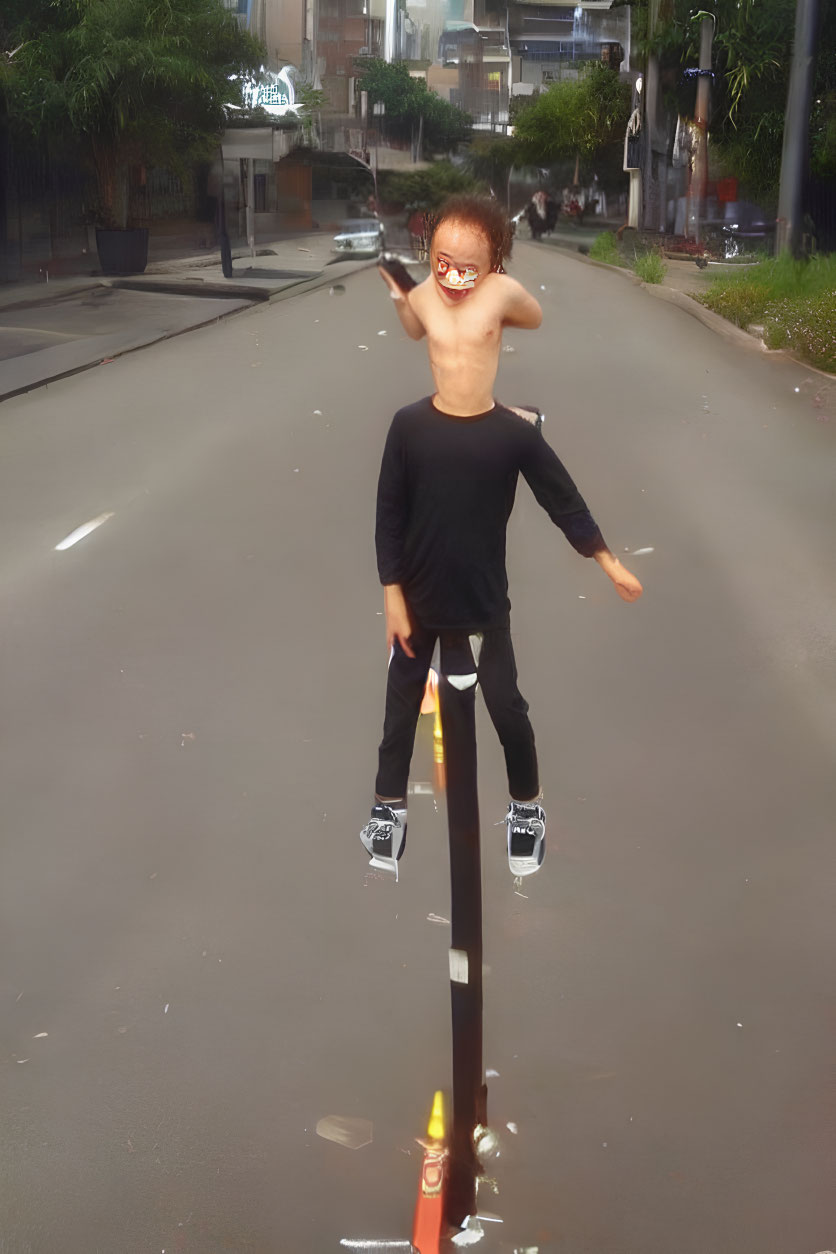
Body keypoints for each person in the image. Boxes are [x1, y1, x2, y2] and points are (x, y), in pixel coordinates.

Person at [361, 195, 643, 879]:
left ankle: (527, 806)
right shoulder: (409, 426)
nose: (455, 279)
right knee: (400, 706)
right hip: (420, 601)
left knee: (507, 709)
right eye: (443, 265)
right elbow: (388, 515)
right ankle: (388, 806)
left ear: (492, 272)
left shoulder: (514, 432)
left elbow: (562, 497)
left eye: (470, 269)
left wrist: (606, 559)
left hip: (484, 605)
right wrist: (392, 597)